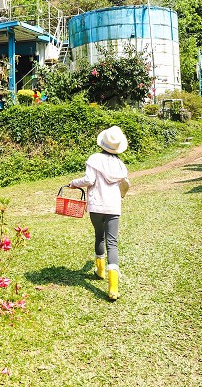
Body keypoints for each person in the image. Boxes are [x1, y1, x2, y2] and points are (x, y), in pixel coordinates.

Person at [68, 125, 131, 300]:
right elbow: (125, 185)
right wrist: (122, 195)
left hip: (96, 206)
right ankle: (113, 288)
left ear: (102, 143)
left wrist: (74, 183)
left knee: (99, 236)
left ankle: (100, 271)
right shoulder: (120, 164)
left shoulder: (94, 158)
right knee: (112, 243)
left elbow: (89, 179)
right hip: (113, 207)